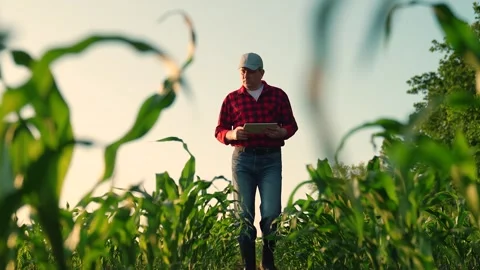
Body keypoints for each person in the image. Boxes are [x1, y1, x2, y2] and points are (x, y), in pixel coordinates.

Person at [214, 52, 298, 270]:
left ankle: (268, 263)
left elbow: (292, 126)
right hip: (242, 160)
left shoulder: (278, 96)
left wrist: (281, 132)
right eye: (242, 71)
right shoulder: (231, 99)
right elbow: (219, 130)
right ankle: (248, 266)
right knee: (243, 215)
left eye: (250, 71)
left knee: (271, 213)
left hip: (270, 160)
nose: (246, 75)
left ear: (261, 72)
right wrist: (233, 135)